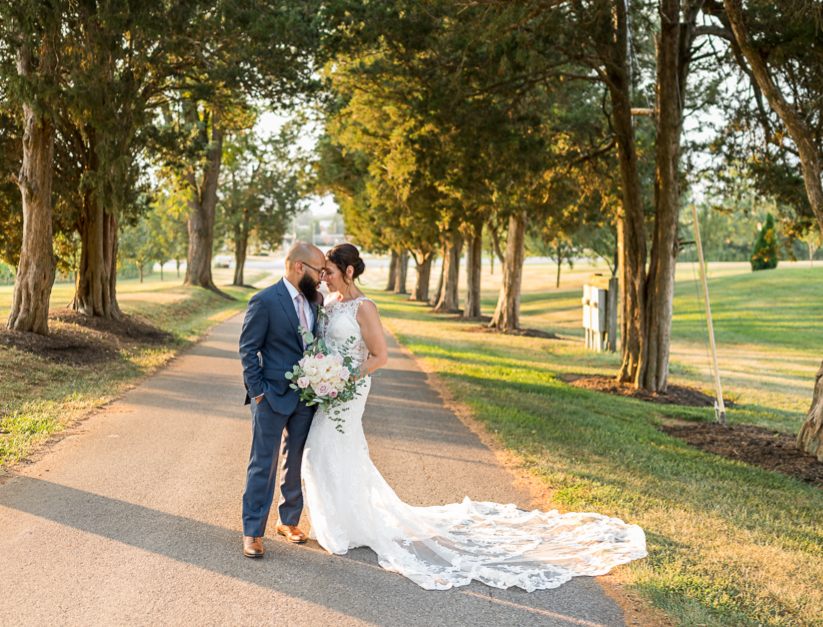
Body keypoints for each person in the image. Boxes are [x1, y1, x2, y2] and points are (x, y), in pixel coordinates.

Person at [300, 243, 648, 591]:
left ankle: (346, 525)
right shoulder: (328, 304)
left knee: (328, 446)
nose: (324, 278)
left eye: (329, 271)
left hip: (350, 389)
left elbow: (380, 357)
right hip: (329, 388)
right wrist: (322, 375)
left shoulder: (365, 307)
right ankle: (341, 523)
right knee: (324, 450)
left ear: (348, 272)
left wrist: (345, 378)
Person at [238, 242, 327, 558]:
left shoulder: (316, 301)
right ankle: (252, 531)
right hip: (271, 396)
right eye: (319, 270)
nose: (322, 278)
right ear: (299, 267)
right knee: (264, 462)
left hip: (306, 397)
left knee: (295, 461)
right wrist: (258, 392)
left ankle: (288, 520)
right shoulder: (264, 300)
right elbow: (248, 350)